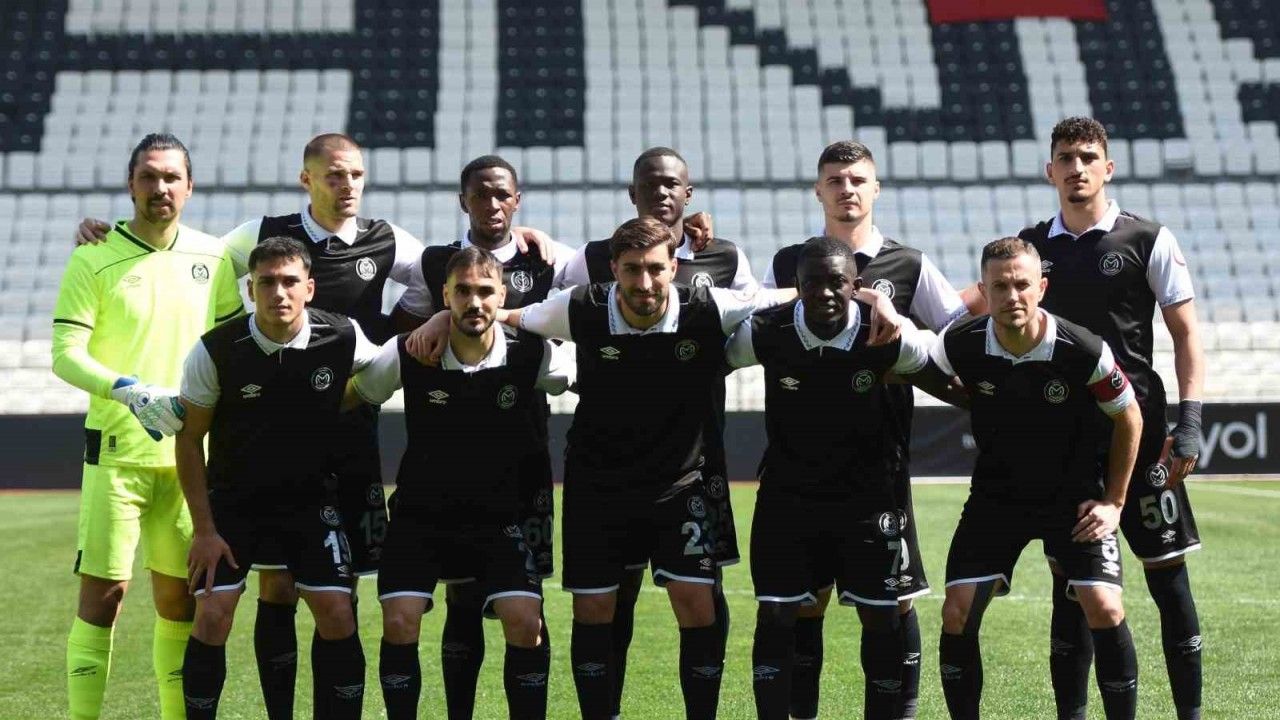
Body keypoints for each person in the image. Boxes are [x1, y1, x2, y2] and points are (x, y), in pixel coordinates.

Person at [73, 133, 556, 718]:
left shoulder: (386, 240)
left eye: (355, 174)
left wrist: (513, 248)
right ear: (307, 180)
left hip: (348, 437)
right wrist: (113, 235)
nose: (346, 185)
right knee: (275, 588)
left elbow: (455, 271)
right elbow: (186, 258)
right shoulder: (261, 235)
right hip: (266, 442)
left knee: (338, 595)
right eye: (333, 174)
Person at [762, 140, 978, 719]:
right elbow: (760, 315)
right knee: (804, 604)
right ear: (818, 190)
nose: (847, 189)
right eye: (835, 180)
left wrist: (899, 329)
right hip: (799, 463)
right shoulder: (788, 263)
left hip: (878, 468)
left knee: (891, 604)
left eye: (857, 179)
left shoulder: (908, 265)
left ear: (876, 188)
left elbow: (956, 336)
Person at [1014, 117, 1205, 720]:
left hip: (1141, 440)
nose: (1077, 168)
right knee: (1072, 592)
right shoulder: (1030, 248)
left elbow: (1186, 334)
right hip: (1065, 448)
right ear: (1049, 171)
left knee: (1169, 582)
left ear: (1108, 168)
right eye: (1066, 158)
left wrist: (1191, 421)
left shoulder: (1148, 239)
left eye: (1088, 156)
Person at [51, 133, 244, 720]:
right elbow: (64, 353)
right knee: (104, 595)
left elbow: (232, 348)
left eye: (171, 177)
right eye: (148, 177)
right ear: (130, 184)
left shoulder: (214, 259)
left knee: (180, 602)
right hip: (117, 457)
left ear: (190, 186)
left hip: (189, 463)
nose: (160, 187)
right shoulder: (93, 256)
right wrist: (128, 390)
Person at [560, 146, 757, 717]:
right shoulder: (594, 258)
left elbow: (757, 315)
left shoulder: (723, 258)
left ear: (688, 194)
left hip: (695, 456)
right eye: (650, 185)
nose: (662, 193)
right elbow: (542, 304)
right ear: (633, 195)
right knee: (610, 597)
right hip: (609, 459)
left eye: (672, 184)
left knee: (701, 592)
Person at [725, 237, 955, 720]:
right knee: (777, 613)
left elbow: (945, 376)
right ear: (796, 286)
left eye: (837, 282)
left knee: (882, 616)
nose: (825, 292)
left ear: (857, 285)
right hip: (789, 497)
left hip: (868, 499)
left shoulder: (886, 334)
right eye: (812, 282)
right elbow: (707, 360)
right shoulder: (766, 332)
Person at [348, 245, 574, 719]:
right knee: (400, 620)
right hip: (420, 515)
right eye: (463, 291)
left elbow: (578, 370)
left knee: (526, 623)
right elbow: (357, 394)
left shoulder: (531, 353)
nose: (475, 301)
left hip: (500, 519)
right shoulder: (409, 351)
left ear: (502, 295)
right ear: (445, 294)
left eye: (485, 291)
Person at [933, 237, 1143, 720]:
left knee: (1105, 607)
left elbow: (1129, 415)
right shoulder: (960, 343)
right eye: (1000, 286)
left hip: (1073, 497)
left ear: (1041, 288)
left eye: (1022, 285)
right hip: (996, 497)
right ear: (983, 290)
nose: (1013, 296)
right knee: (956, 612)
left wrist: (1113, 502)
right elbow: (920, 369)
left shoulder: (1082, 349)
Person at [175, 236, 379, 719]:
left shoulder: (343, 335)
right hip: (233, 506)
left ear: (310, 288)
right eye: (266, 282)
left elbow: (392, 365)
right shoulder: (214, 350)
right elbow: (189, 440)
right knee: (212, 616)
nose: (279, 292)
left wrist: (437, 322)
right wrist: (203, 531)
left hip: (311, 503)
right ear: (250, 290)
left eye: (290, 281)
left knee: (336, 612)